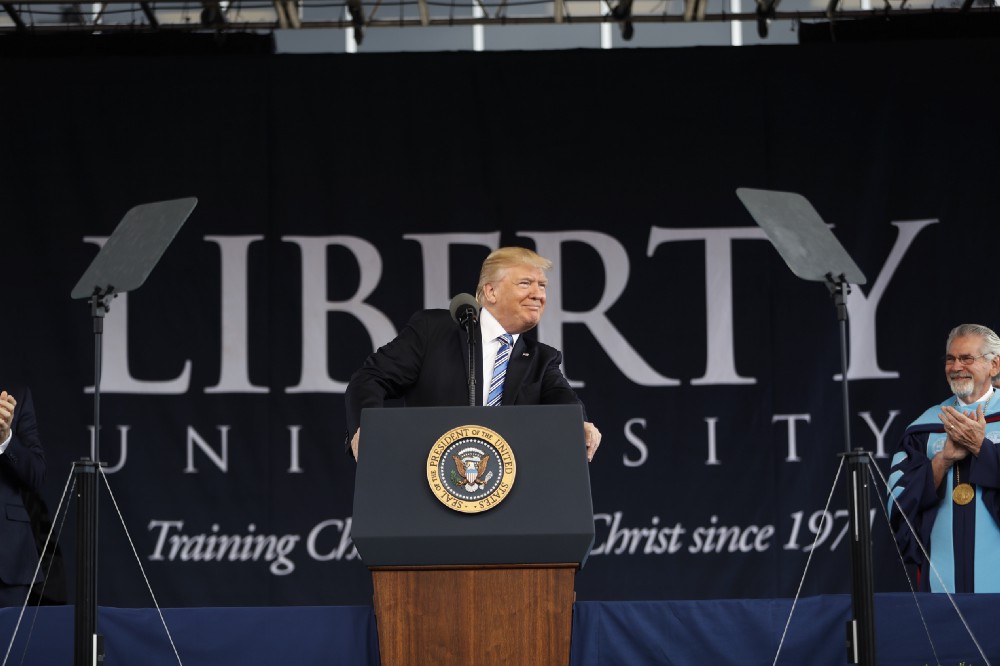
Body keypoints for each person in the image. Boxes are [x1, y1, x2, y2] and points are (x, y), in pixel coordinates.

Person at [345, 246, 601, 463]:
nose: (538, 294)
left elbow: (564, 400)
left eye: (542, 285)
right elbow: (370, 378)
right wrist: (368, 430)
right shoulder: (433, 330)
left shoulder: (541, 360)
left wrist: (581, 423)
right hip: (428, 483)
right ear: (491, 292)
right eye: (525, 283)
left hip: (505, 496)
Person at [887, 323, 1000, 593]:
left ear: (994, 365)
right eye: (951, 359)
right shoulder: (925, 427)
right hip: (941, 576)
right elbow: (898, 501)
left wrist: (981, 449)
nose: (956, 366)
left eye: (967, 358)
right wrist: (942, 461)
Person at [0, 387, 47, 606]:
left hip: (5, 560)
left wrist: (5, 440)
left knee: (9, 639)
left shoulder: (15, 392)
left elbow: (35, 475)